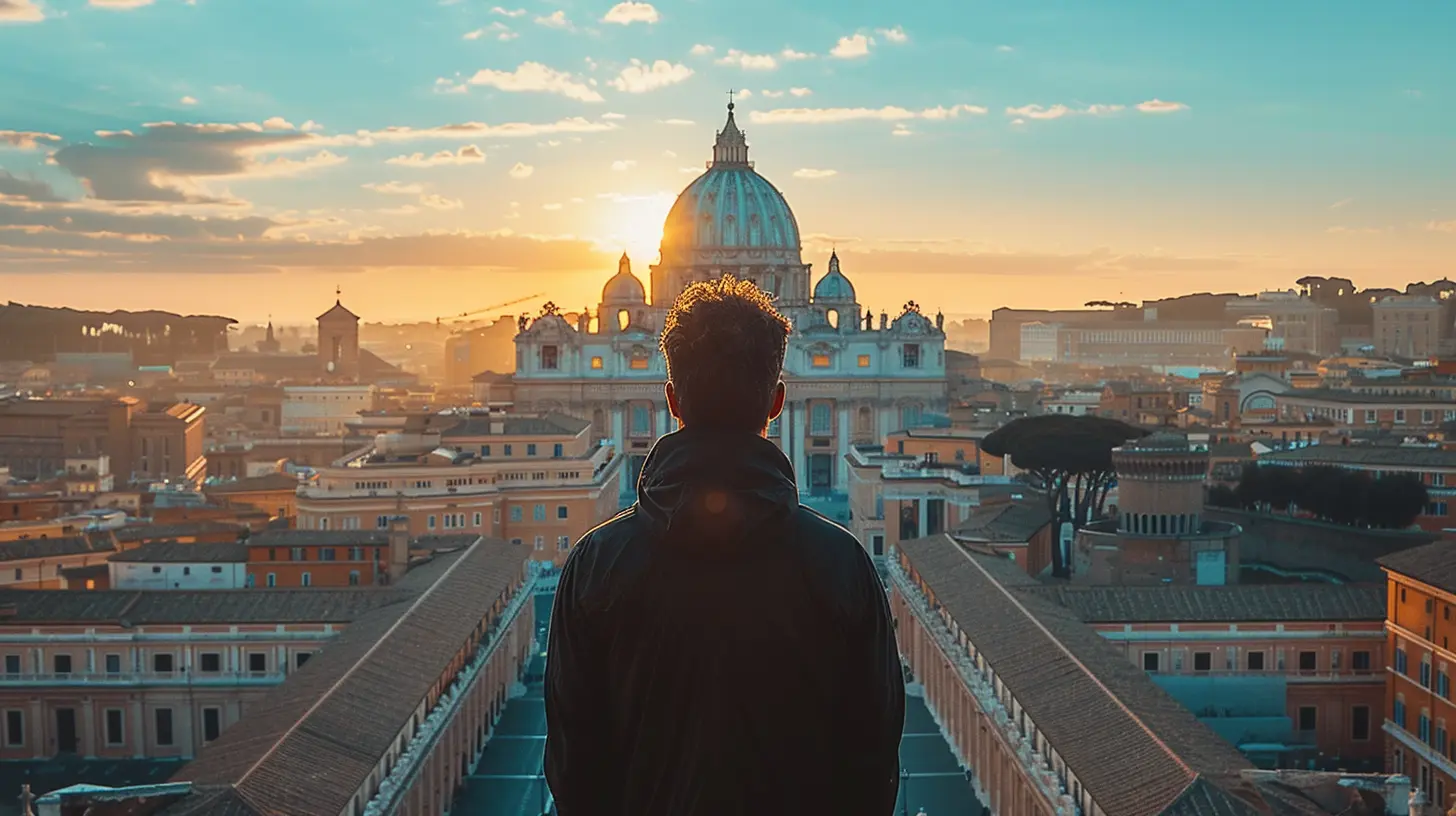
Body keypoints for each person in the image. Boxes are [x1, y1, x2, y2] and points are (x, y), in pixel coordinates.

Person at [545, 275, 905, 815]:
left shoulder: (596, 565)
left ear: (670, 398)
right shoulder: (843, 563)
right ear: (779, 400)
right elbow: (874, 758)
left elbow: (574, 764)